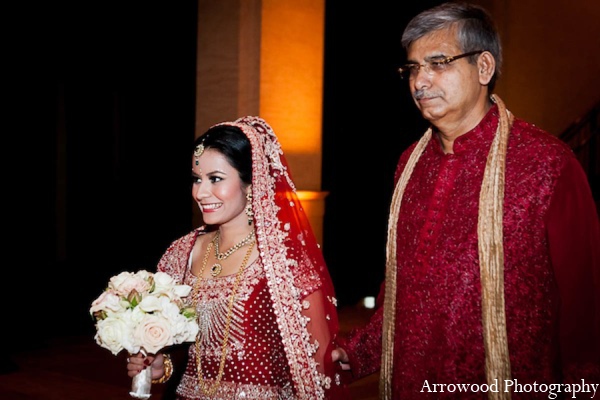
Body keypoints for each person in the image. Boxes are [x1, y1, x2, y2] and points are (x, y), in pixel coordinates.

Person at [332, 2, 600, 399]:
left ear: (484, 67)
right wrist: (356, 355)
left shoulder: (547, 163)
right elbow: (401, 290)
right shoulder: (410, 165)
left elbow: (586, 306)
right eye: (412, 68)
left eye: (438, 63)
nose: (419, 82)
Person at [126, 116, 349, 399]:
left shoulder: (284, 262)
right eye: (196, 179)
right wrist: (160, 367)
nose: (201, 192)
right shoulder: (180, 253)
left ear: (251, 183)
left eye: (215, 179)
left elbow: (316, 370)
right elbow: (180, 351)